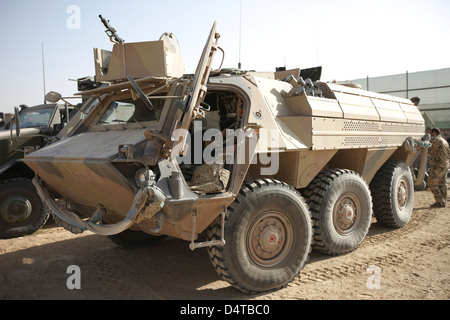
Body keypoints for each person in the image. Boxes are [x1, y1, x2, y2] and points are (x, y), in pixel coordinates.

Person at [428, 128, 450, 208]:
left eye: (430, 133)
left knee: (432, 183)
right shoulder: (444, 141)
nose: (430, 135)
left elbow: (426, 141)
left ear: (434, 133)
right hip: (445, 164)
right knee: (442, 183)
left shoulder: (436, 139)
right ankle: (443, 201)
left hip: (438, 165)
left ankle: (440, 201)